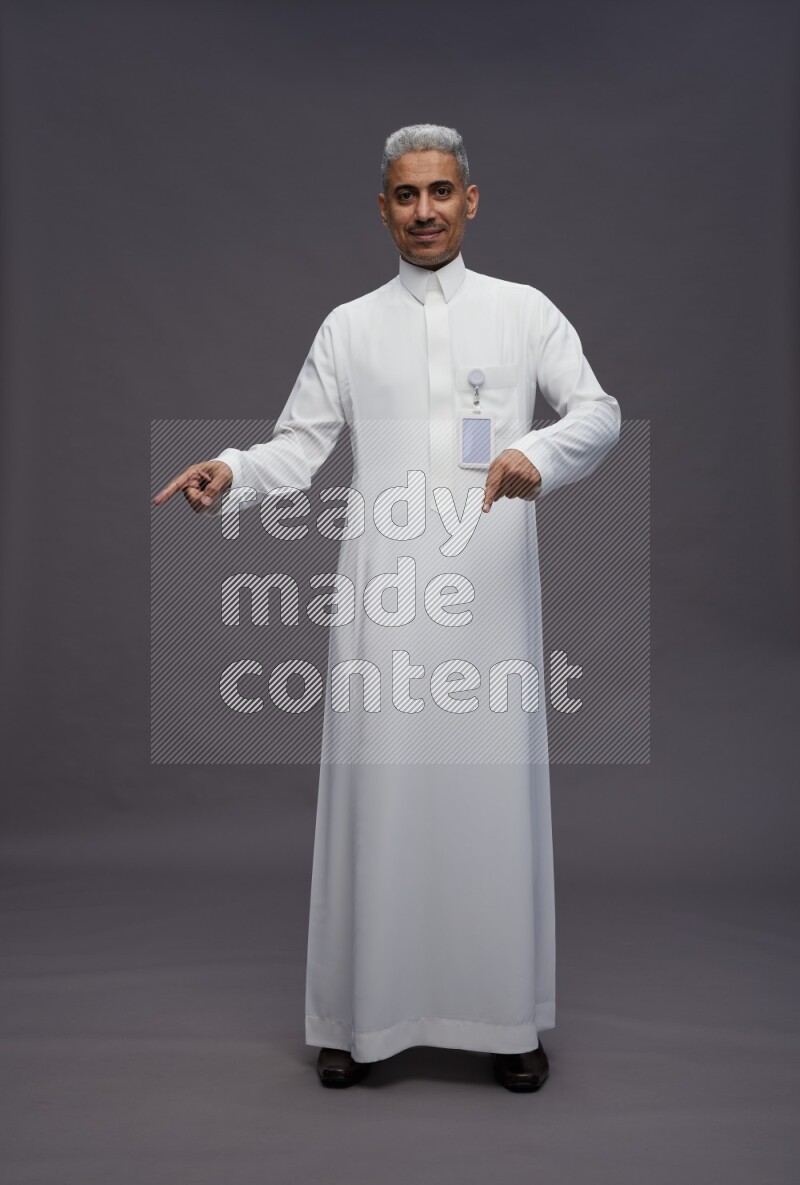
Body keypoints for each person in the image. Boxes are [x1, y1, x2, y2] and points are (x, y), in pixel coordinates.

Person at [153, 124, 621, 1092]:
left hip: (489, 606)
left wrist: (539, 455)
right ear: (381, 209)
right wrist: (230, 474)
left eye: (439, 193)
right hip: (382, 603)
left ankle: (504, 1023)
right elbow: (297, 447)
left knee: (489, 803)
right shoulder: (348, 327)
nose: (423, 212)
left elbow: (597, 412)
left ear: (470, 199)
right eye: (405, 197)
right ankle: (357, 1020)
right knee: (379, 796)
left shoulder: (522, 312)